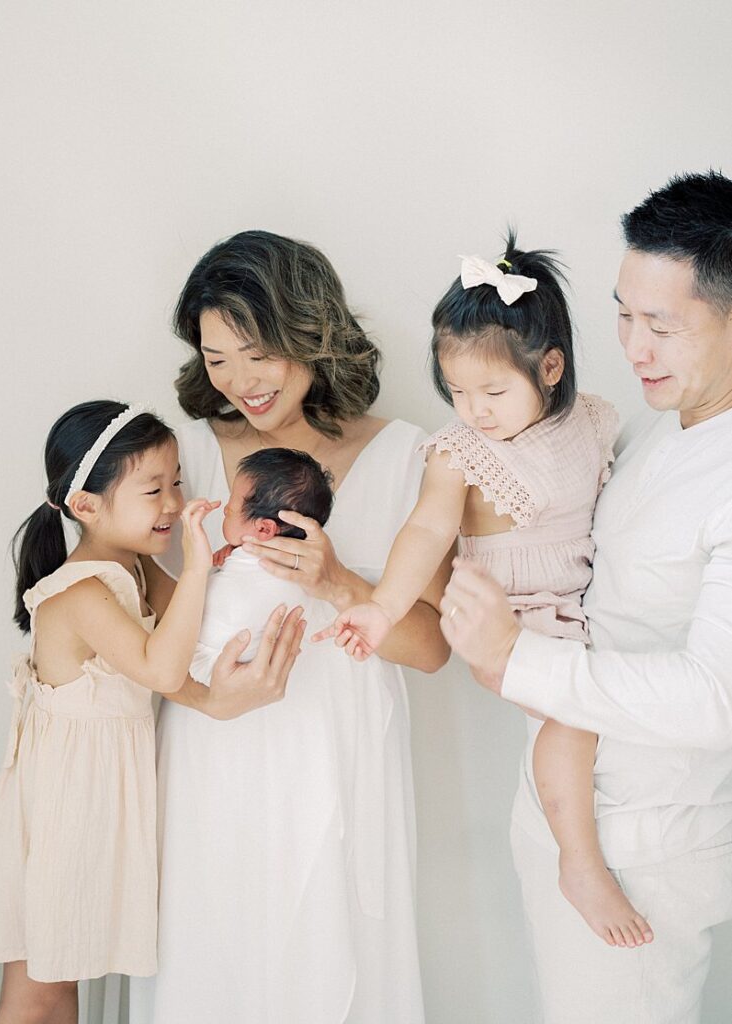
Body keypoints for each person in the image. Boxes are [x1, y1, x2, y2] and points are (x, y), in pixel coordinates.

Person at [131, 230, 450, 1024]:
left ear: (309, 332)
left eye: (257, 351)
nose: (240, 381)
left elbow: (433, 649)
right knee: (216, 949)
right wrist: (209, 700)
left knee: (332, 950)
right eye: (215, 360)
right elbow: (143, 623)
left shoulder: (406, 456)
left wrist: (341, 585)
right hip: (214, 748)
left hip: (341, 753)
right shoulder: (192, 461)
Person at [440, 171, 732, 1022]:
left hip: (644, 850)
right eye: (622, 314)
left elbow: (716, 698)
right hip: (570, 811)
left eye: (661, 326)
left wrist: (515, 656)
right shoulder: (655, 423)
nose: (632, 347)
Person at [322, 233, 649, 947]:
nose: (473, 409)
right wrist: (379, 609)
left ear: (551, 369)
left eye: (491, 391)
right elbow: (422, 533)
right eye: (458, 392)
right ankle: (579, 860)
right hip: (511, 618)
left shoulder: (588, 421)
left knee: (614, 708)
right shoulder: (458, 453)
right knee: (568, 717)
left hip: (584, 603)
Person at [0, 400, 221, 1023]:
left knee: (63, 983)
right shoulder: (81, 591)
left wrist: (231, 696)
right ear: (86, 506)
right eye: (153, 488)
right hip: (64, 807)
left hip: (94, 802)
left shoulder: (133, 569)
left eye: (177, 483)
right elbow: (162, 669)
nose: (172, 503)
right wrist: (202, 562)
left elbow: (181, 664)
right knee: (42, 990)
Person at [191, 447, 334, 681]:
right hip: (250, 667)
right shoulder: (307, 571)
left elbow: (198, 596)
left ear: (264, 529)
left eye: (231, 507)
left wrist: (213, 564)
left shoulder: (247, 560)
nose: (225, 510)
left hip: (203, 658)